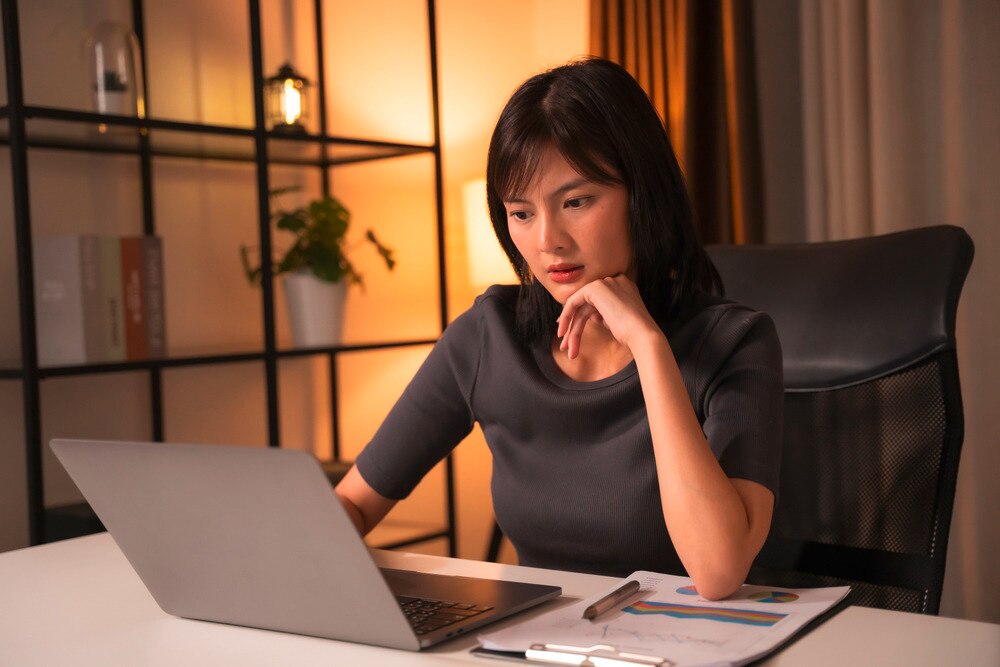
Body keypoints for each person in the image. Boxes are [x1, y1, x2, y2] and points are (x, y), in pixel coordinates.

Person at [336, 57, 783, 600]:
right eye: (521, 213)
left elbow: (717, 572)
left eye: (576, 201)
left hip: (691, 639)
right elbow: (353, 504)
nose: (548, 240)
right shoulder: (488, 336)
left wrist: (648, 347)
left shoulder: (735, 343)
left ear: (643, 194)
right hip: (536, 638)